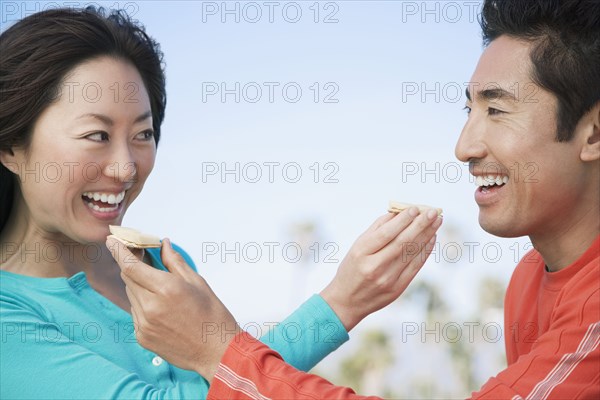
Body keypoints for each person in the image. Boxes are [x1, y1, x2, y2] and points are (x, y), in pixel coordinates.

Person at [108, 0, 600, 398]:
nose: (464, 147)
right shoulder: (530, 276)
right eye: (468, 109)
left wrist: (217, 350)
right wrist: (341, 300)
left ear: (593, 132)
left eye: (496, 109)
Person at [0, 7, 442, 399]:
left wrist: (346, 298)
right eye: (97, 135)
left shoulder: (162, 264)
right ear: (11, 147)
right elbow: (227, 376)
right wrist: (341, 303)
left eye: (143, 135)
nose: (125, 167)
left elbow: (237, 378)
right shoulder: (8, 318)